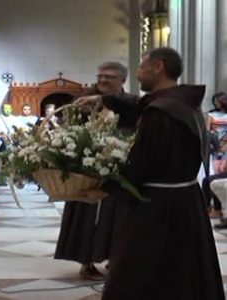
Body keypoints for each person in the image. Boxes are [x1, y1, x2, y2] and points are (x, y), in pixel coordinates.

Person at [77, 47, 225, 299]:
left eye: (142, 67)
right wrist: (103, 99)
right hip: (185, 202)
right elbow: (138, 103)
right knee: (181, 273)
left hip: (158, 209)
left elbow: (142, 165)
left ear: (158, 67)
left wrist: (103, 189)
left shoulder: (162, 113)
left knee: (140, 272)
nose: (137, 73)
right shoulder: (181, 104)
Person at [54, 61, 140, 280]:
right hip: (86, 170)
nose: (102, 80)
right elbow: (67, 126)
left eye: (108, 77)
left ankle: (115, 260)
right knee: (86, 216)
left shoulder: (130, 102)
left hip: (117, 170)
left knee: (118, 218)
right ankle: (87, 262)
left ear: (122, 80)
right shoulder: (83, 99)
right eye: (100, 76)